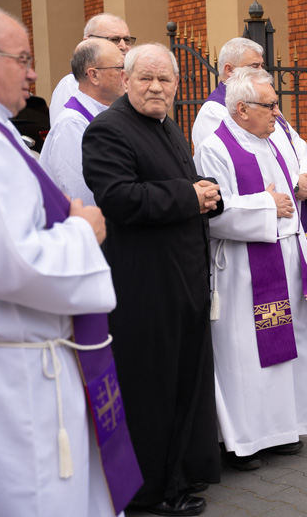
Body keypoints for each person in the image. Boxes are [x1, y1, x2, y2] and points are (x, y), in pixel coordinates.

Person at [0, 4, 141, 517]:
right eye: (22, 58)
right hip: (22, 368)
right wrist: (82, 230)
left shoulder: (2, 131)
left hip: (41, 348)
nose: (33, 72)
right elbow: (14, 262)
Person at [194, 67, 307, 471]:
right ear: (241, 109)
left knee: (294, 345)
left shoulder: (272, 140)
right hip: (243, 269)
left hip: (288, 258)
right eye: (269, 106)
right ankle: (246, 440)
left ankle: (284, 428)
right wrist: (267, 205)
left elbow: (297, 183)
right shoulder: (215, 149)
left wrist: (283, 199)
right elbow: (211, 214)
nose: (277, 113)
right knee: (246, 352)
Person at [82, 43, 223, 515]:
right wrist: (189, 196)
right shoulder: (107, 130)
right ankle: (150, 491)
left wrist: (208, 192)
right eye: (146, 78)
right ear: (125, 80)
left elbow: (178, 179)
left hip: (182, 278)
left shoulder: (165, 125)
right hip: (145, 286)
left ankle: (181, 472)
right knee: (152, 389)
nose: (156, 87)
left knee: (185, 380)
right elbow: (121, 198)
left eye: (165, 80)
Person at [193, 37, 307, 267]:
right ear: (229, 70)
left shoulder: (264, 101)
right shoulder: (215, 111)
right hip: (260, 221)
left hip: (288, 209)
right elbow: (244, 164)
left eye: (262, 65)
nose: (262, 70)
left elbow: (294, 141)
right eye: (255, 66)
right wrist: (293, 184)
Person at [41, 39, 126, 205]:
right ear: (94, 75)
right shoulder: (72, 124)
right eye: (120, 68)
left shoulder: (108, 115)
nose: (126, 75)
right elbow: (82, 197)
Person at [49, 13, 133, 125]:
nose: (123, 46)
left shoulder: (129, 80)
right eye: (114, 39)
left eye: (127, 40)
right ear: (87, 42)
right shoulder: (70, 84)